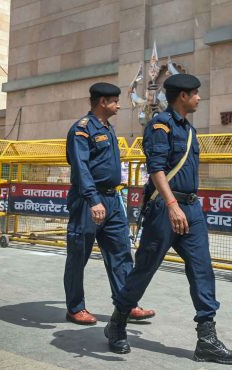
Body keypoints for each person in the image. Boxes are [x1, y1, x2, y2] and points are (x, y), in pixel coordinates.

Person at [104, 74, 232, 364]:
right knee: (144, 269)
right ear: (182, 96)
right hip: (165, 209)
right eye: (195, 94)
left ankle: (206, 340)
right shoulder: (160, 126)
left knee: (202, 270)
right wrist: (171, 204)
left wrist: (185, 207)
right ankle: (117, 322)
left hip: (191, 208)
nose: (199, 98)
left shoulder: (189, 129)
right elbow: (155, 168)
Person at [64, 82, 155, 325]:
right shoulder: (82, 130)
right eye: (115, 101)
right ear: (103, 102)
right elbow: (81, 168)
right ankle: (75, 308)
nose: (119, 104)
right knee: (78, 255)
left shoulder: (108, 128)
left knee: (121, 252)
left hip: (112, 200)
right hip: (88, 201)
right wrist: (93, 200)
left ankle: (126, 304)